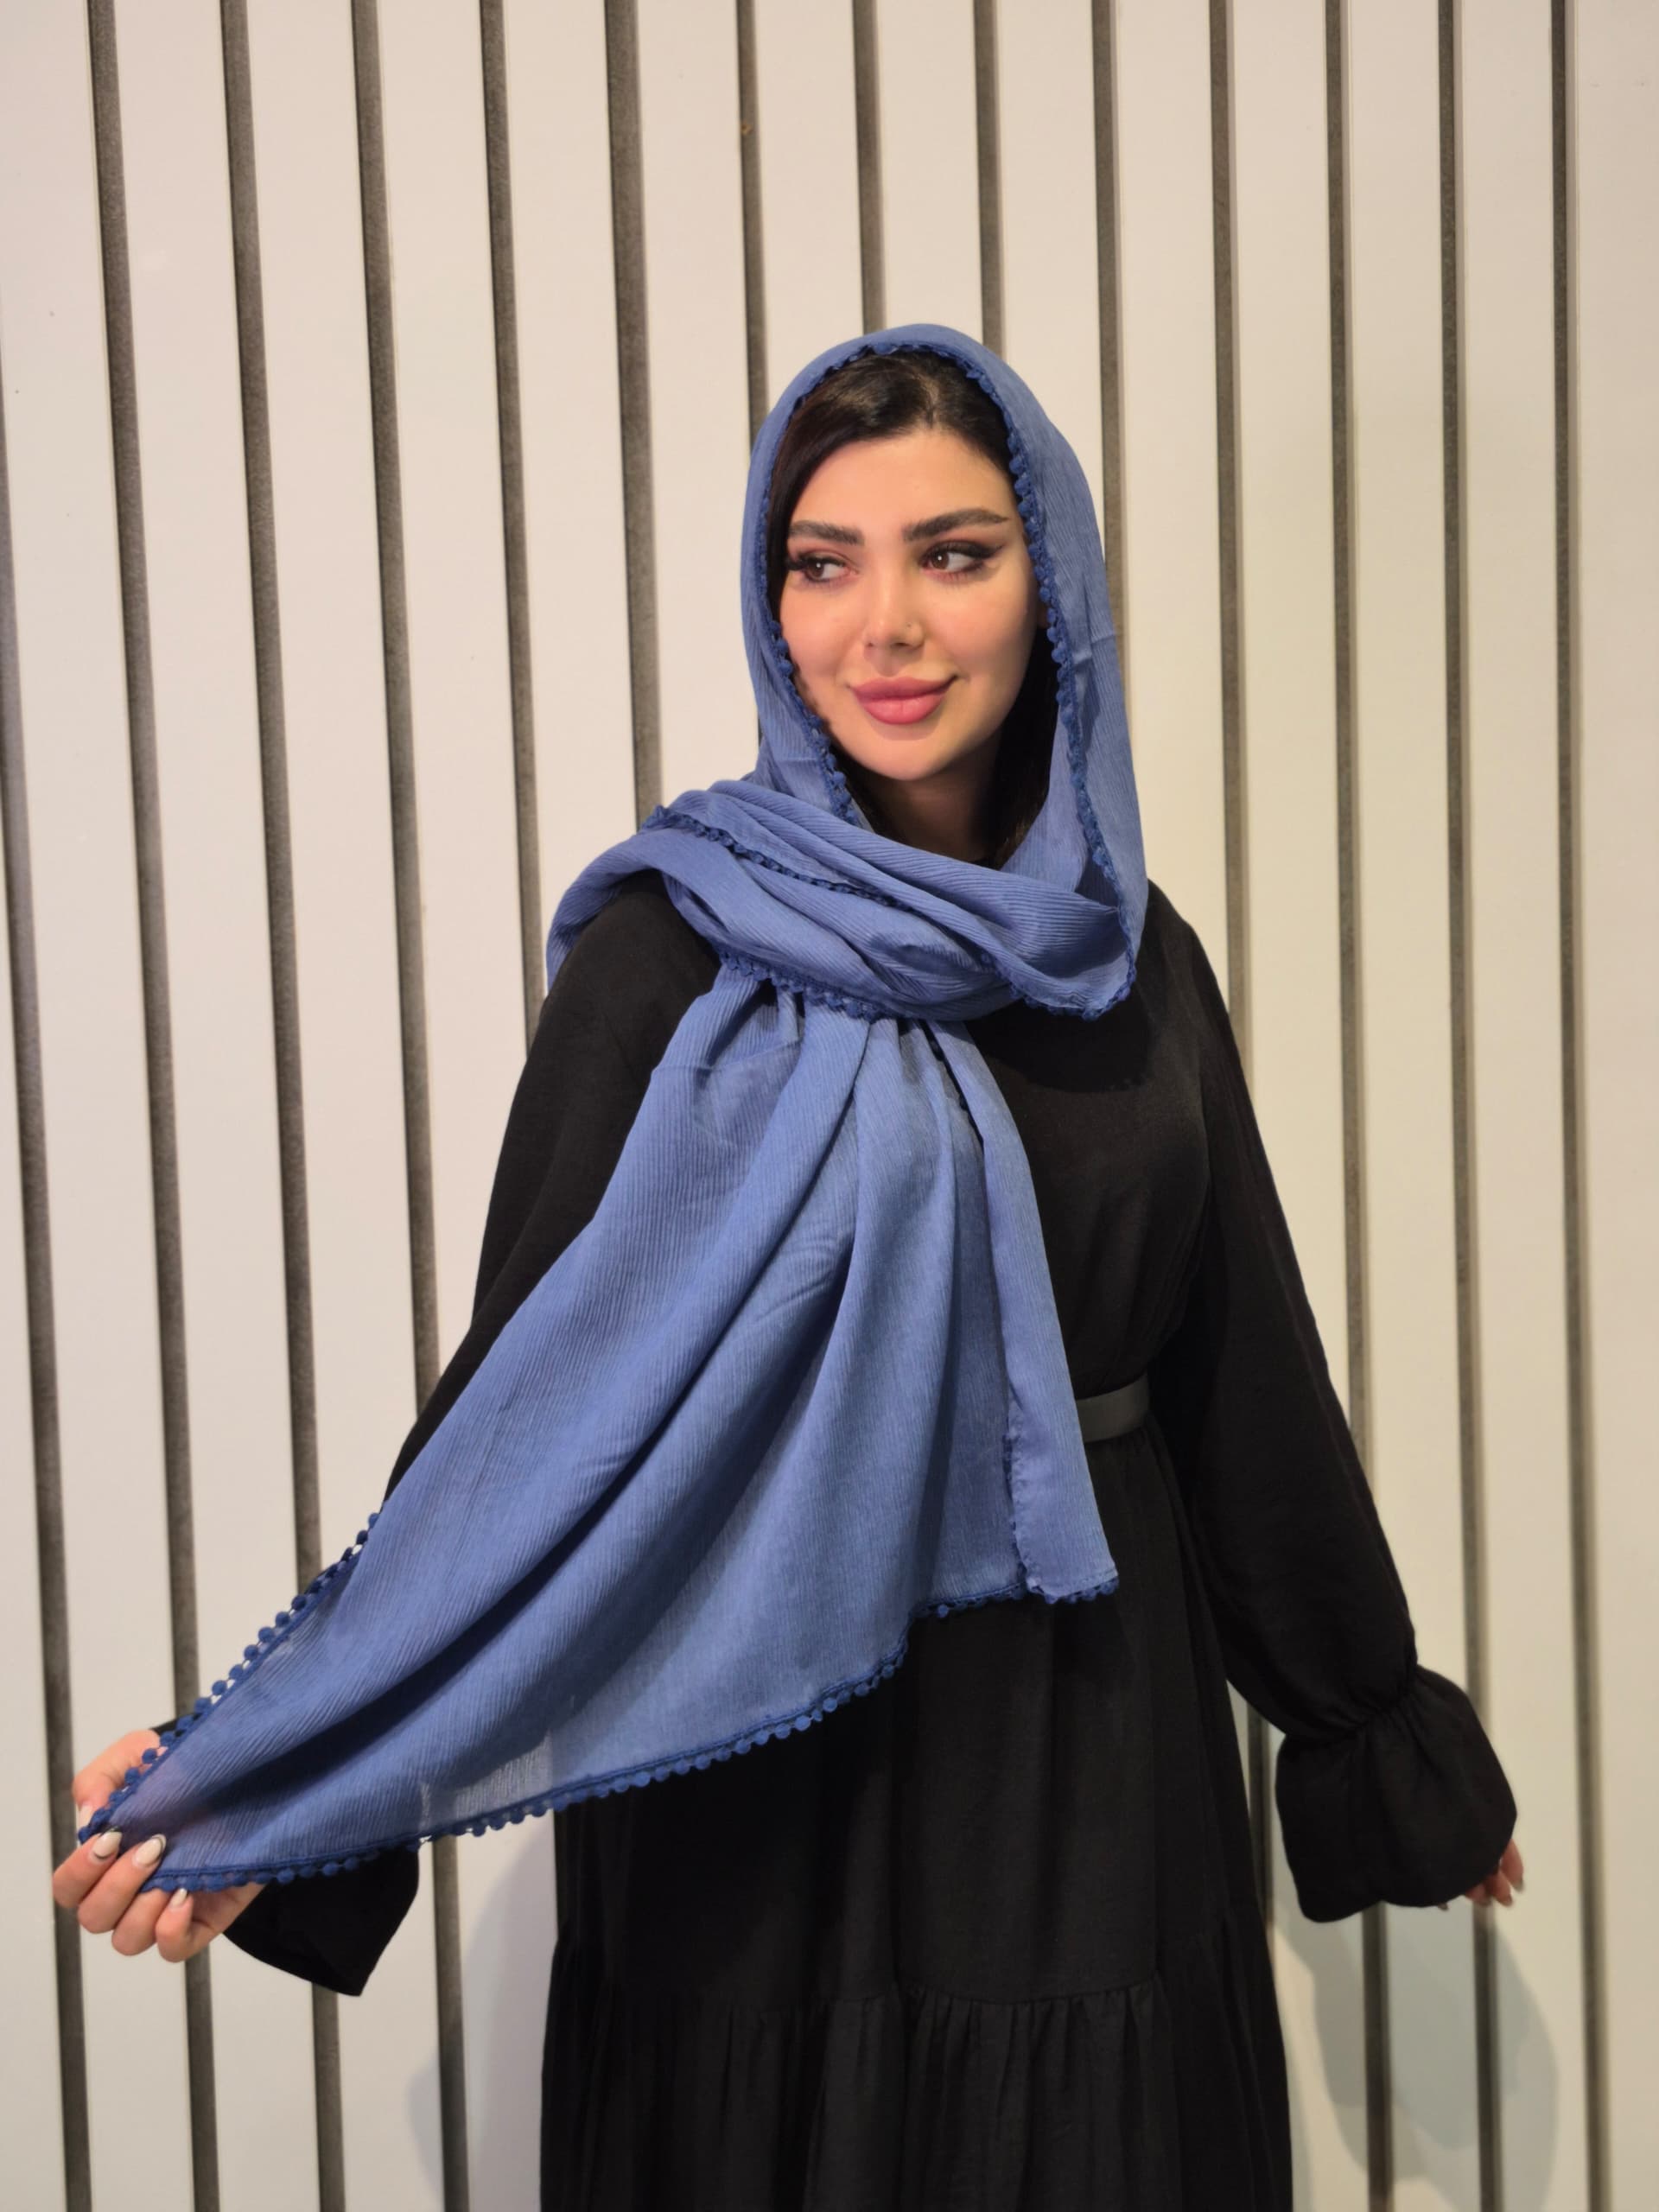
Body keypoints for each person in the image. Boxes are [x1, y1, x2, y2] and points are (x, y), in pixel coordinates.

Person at [53, 328, 1520, 2208]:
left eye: (954, 554)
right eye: (822, 563)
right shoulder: (670, 951)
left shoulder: (1126, 953)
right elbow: (521, 1420)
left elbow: (1245, 1377)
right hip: (742, 1747)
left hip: (1078, 1726)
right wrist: (281, 1778)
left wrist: (1375, 1732)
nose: (883, 625)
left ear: (1054, 588)